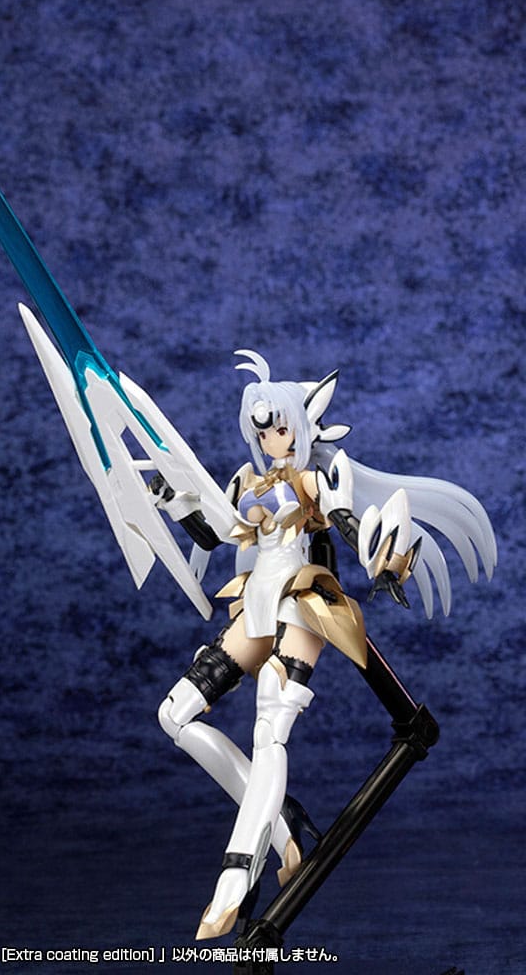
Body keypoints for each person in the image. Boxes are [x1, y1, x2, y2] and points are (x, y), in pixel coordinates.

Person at [154, 349, 496, 939]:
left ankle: (237, 870)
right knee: (175, 714)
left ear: (299, 425)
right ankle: (282, 821)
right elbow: (213, 533)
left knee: (269, 729)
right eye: (262, 431)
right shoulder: (245, 480)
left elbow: (350, 526)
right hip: (255, 605)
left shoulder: (316, 479)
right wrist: (170, 497)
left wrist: (385, 556)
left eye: (280, 428)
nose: (272, 440)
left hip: (303, 604)